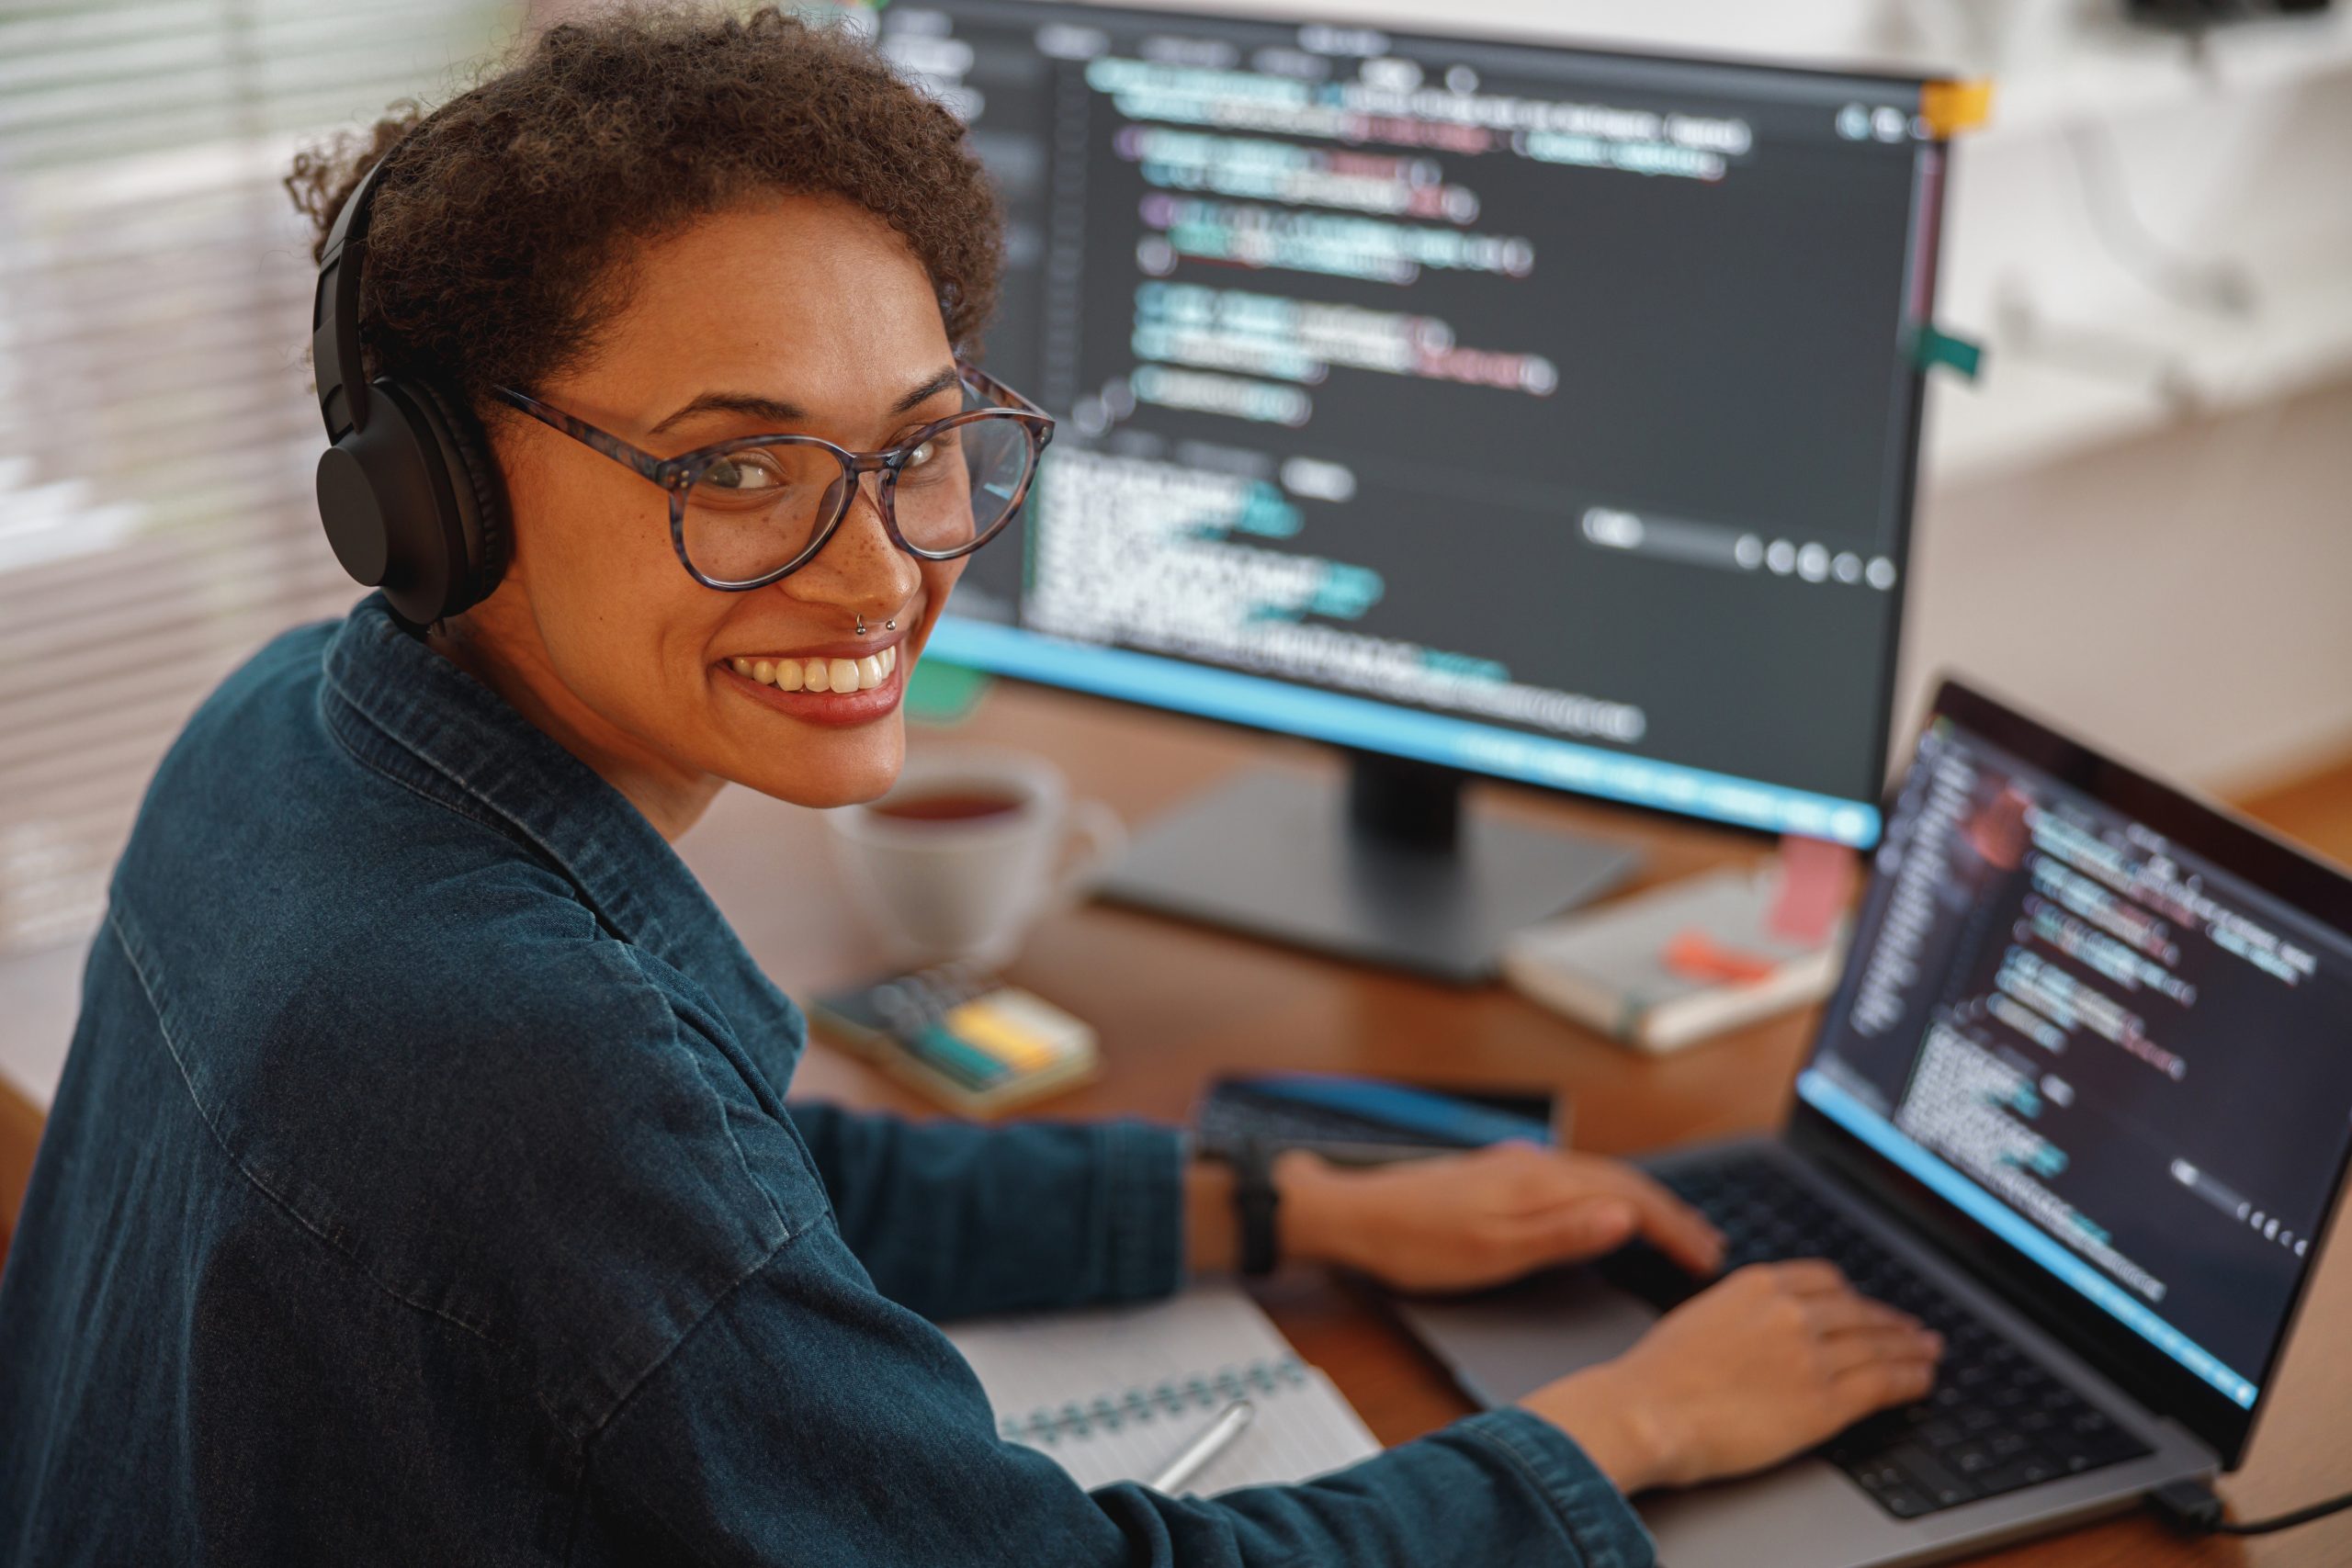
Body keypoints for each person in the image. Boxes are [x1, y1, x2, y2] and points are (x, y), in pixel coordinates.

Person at [0, 10, 1941, 1565]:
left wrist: (1293, 1204)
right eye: (732, 467)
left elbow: (730, 1200)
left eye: (919, 444)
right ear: (432, 495)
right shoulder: (519, 1039)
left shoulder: (286, 730)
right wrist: (1632, 1420)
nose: (879, 568)